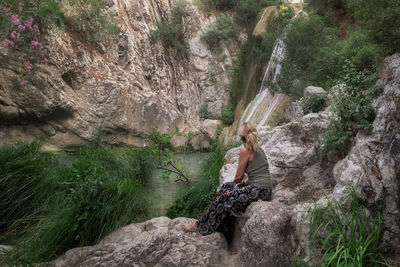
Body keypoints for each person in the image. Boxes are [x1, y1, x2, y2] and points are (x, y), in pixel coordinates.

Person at [183, 122, 272, 235]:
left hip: (259, 191)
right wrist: (245, 182)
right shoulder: (258, 148)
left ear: (241, 136)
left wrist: (236, 185)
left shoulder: (245, 150)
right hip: (265, 190)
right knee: (226, 187)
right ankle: (214, 224)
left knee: (226, 194)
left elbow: (238, 177)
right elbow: (260, 171)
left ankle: (200, 225)